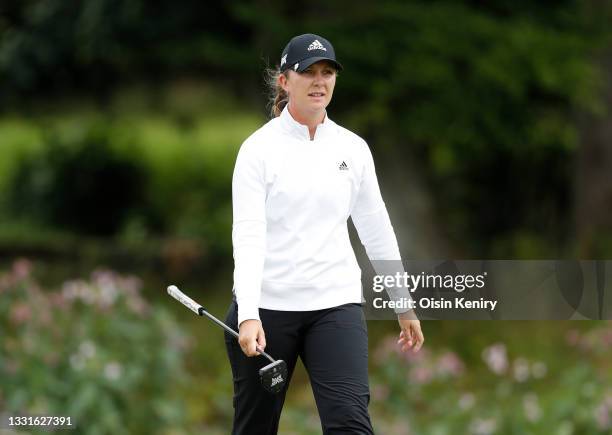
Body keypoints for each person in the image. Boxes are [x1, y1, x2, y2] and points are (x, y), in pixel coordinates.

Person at [224, 33, 424, 435]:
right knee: (255, 428)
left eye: (327, 72)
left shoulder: (353, 149)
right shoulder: (257, 151)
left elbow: (375, 229)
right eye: (308, 72)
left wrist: (403, 302)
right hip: (267, 310)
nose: (320, 81)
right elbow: (248, 236)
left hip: (336, 305)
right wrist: (248, 314)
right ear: (284, 81)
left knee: (351, 424)